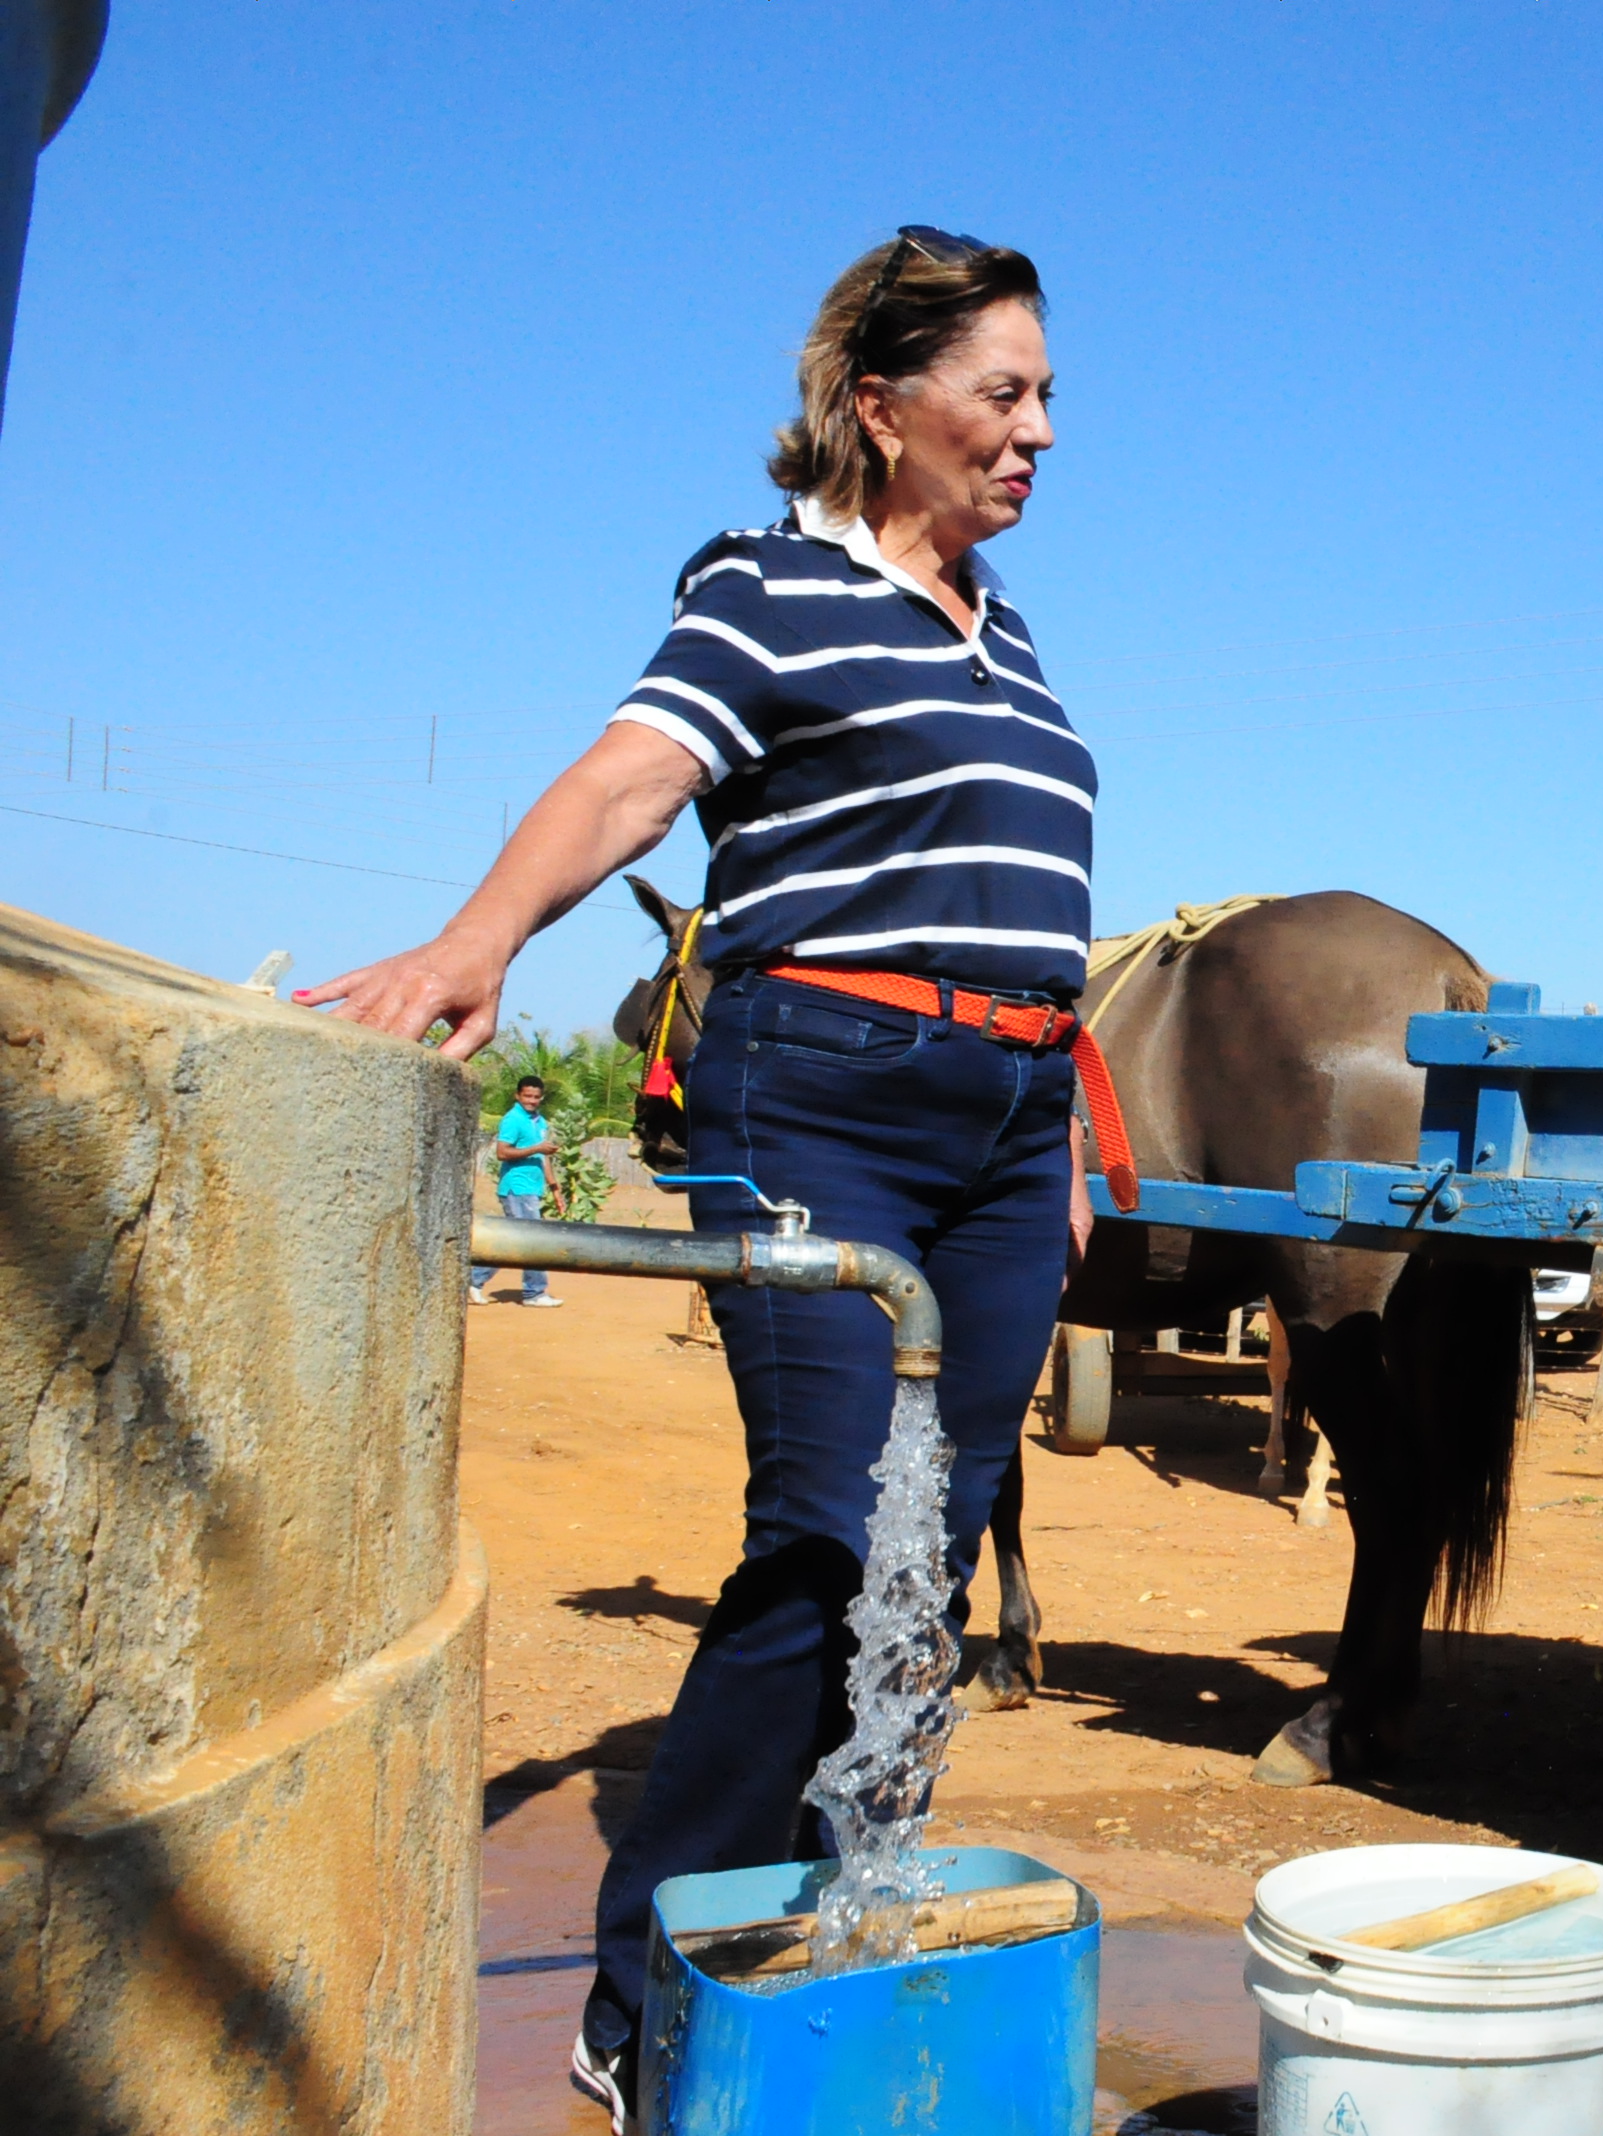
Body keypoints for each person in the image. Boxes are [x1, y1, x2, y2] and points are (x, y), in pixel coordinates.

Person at [297, 228, 1086, 2132]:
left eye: (1050, 396)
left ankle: (842, 1909)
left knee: (933, 1545)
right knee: (828, 1530)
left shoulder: (1009, 625)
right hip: (819, 1094)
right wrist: (480, 937)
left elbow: (1016, 892)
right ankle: (643, 1992)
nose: (1039, 433)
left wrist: (1068, 1110)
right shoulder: (771, 588)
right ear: (876, 404)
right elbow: (629, 782)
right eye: (1003, 393)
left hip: (1013, 1127)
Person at [469, 1075, 564, 1305]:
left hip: (532, 1188)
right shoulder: (512, 1120)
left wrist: (554, 1188)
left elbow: (544, 1157)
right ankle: (535, 1292)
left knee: (514, 1241)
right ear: (517, 1095)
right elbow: (502, 1152)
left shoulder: (540, 1122)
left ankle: (473, 1279)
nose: (531, 1100)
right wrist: (536, 1148)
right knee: (531, 1241)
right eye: (527, 1096)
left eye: (536, 1097)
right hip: (517, 1187)